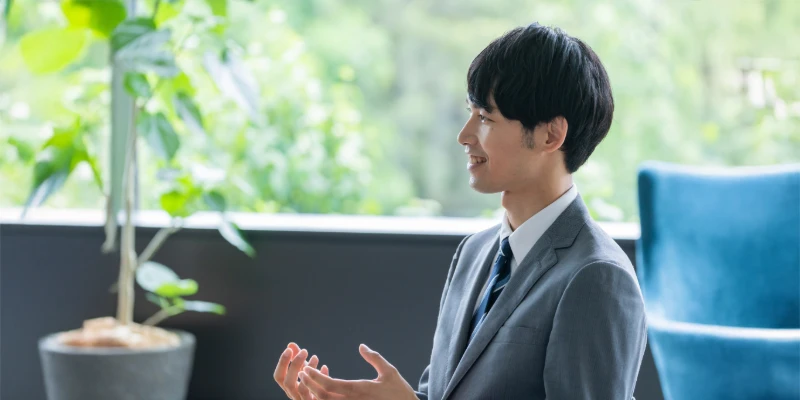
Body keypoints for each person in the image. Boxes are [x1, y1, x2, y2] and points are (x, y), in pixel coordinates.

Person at [273, 22, 647, 400]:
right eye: (471, 113)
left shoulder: (597, 277)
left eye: (485, 118)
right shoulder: (474, 252)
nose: (464, 135)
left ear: (551, 135)